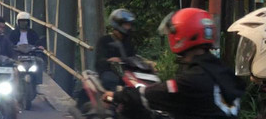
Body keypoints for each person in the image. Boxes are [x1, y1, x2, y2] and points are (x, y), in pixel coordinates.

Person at [104, 8, 245, 119]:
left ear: (182, 35)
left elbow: (151, 94)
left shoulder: (193, 79)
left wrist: (116, 96)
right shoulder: (221, 71)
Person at [92, 9, 137, 91]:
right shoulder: (104, 41)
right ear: (118, 24)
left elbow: (133, 57)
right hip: (110, 73)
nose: (129, 27)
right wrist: (110, 61)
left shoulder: (128, 42)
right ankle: (113, 102)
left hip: (127, 73)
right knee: (111, 80)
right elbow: (99, 62)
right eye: (126, 24)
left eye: (129, 25)